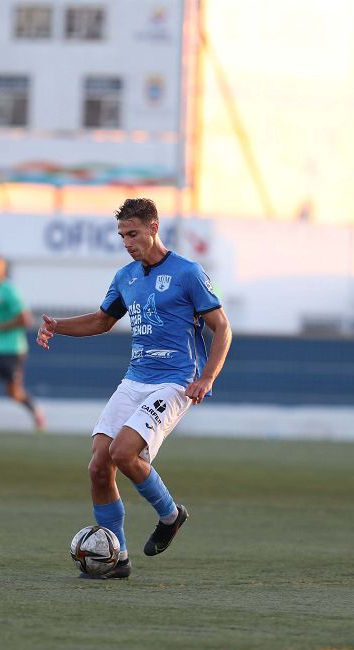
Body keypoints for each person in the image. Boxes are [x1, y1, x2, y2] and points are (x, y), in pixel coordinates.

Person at [36, 198, 233, 579]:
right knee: (98, 465)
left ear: (153, 228)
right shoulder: (125, 276)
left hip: (175, 381)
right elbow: (100, 322)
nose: (127, 242)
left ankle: (171, 515)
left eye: (133, 233)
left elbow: (222, 327)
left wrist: (207, 377)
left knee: (124, 452)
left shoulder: (187, 272)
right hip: (134, 380)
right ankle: (118, 558)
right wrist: (56, 325)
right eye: (122, 235)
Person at [0, 254, 46, 450]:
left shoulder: (9, 290)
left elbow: (25, 319)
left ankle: (35, 410)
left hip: (12, 349)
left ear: (3, 270)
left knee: (13, 392)